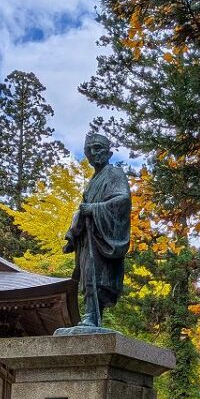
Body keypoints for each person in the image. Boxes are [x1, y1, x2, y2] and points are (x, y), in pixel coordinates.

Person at [62, 132, 131, 329]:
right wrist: (72, 235)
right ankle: (90, 313)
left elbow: (123, 200)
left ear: (109, 153)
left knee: (96, 275)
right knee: (86, 276)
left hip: (104, 234)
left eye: (98, 148)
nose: (93, 153)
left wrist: (95, 209)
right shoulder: (92, 182)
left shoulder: (114, 173)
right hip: (88, 237)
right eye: (89, 150)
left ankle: (93, 315)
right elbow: (82, 210)